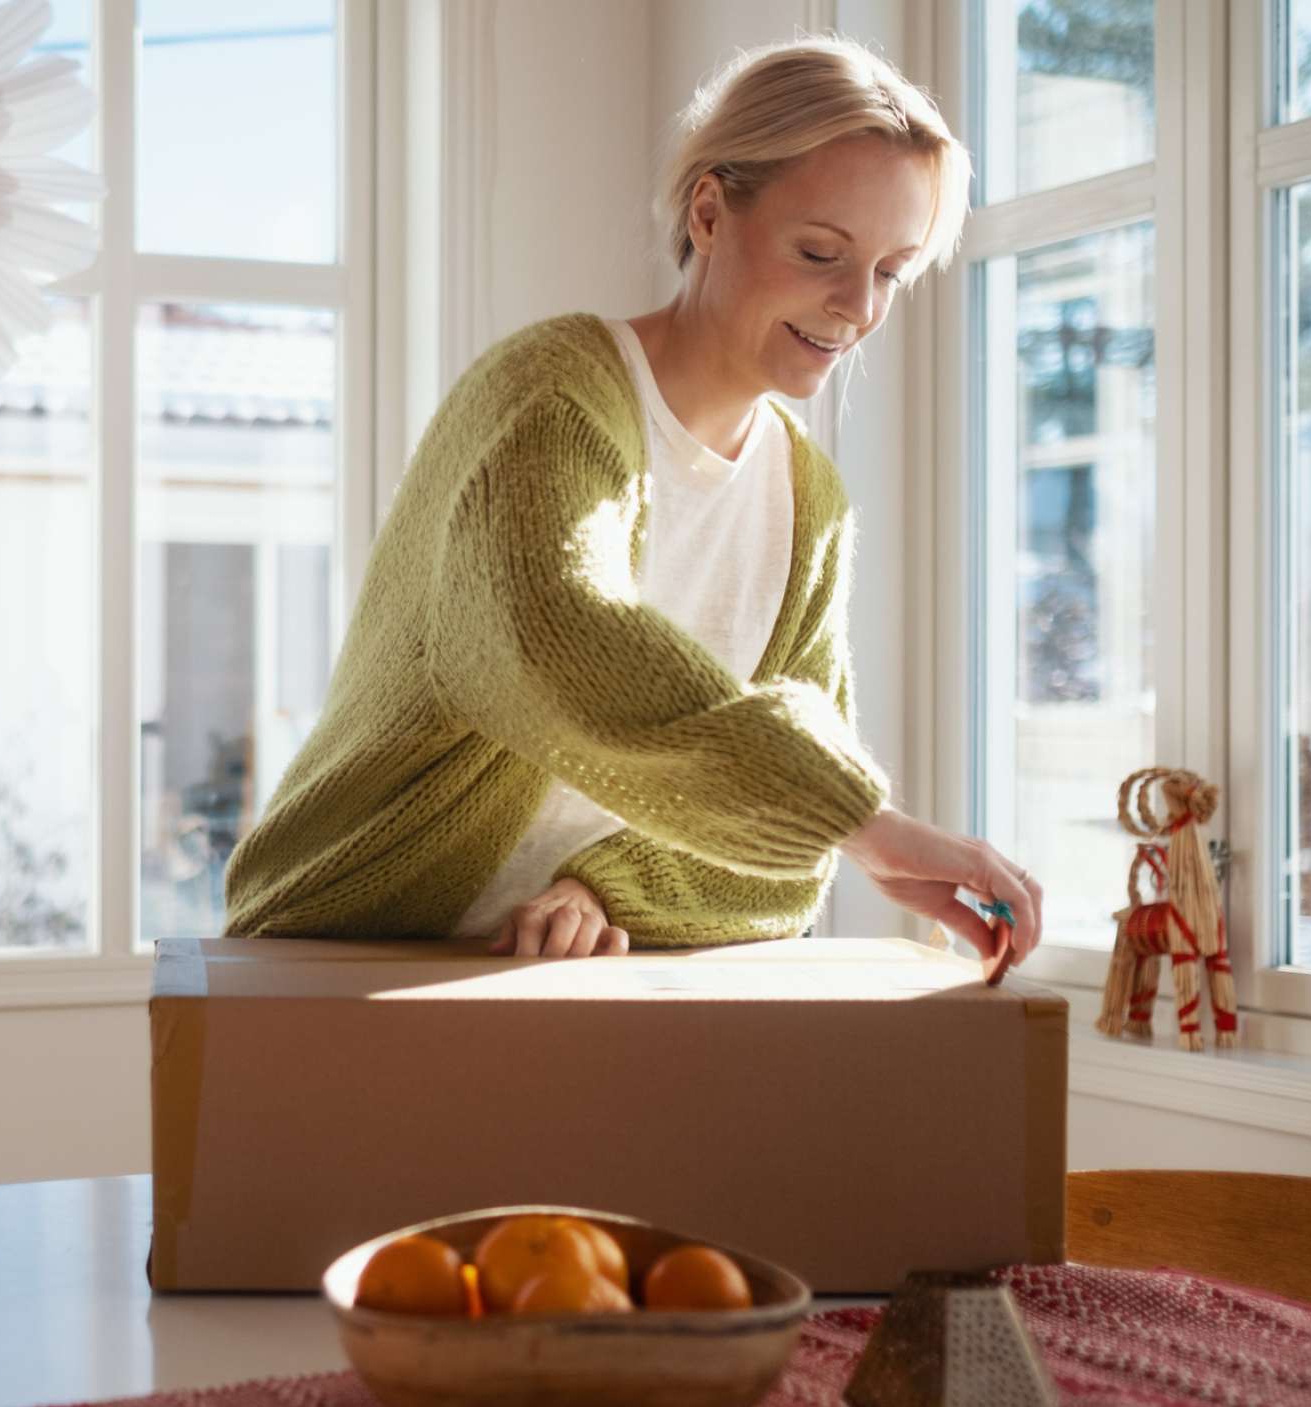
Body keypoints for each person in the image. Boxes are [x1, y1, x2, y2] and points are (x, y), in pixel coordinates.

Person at [220, 37, 1042, 968]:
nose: (857, 305)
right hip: (338, 951)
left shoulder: (809, 505)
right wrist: (866, 823)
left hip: (555, 988)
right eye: (821, 252)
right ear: (708, 213)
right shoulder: (552, 396)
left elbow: (780, 859)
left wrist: (599, 888)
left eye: (891, 271)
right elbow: (562, 638)